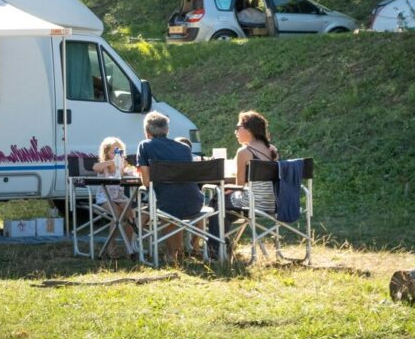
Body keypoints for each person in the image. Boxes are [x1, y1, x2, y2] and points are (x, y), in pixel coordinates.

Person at [137, 111, 203, 263]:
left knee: (167, 202)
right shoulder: (185, 148)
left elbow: (146, 181)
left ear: (147, 132)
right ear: (167, 130)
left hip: (166, 205)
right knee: (173, 198)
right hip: (194, 203)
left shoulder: (145, 145)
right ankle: (177, 252)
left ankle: (172, 254)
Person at [209, 110, 279, 251]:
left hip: (254, 202)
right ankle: (222, 243)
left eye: (238, 128)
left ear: (249, 130)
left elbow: (239, 184)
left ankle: (215, 248)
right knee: (223, 202)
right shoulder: (272, 150)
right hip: (274, 202)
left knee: (218, 200)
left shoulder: (244, 152)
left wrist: (226, 188)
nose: (235, 132)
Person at [92, 137, 138, 257]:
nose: (117, 154)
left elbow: (131, 173)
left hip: (119, 197)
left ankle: (129, 246)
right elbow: (95, 167)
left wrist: (128, 170)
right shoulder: (105, 166)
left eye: (120, 151)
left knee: (131, 213)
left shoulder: (122, 165)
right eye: (114, 152)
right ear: (106, 153)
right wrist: (111, 162)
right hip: (105, 197)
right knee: (117, 215)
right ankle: (110, 245)